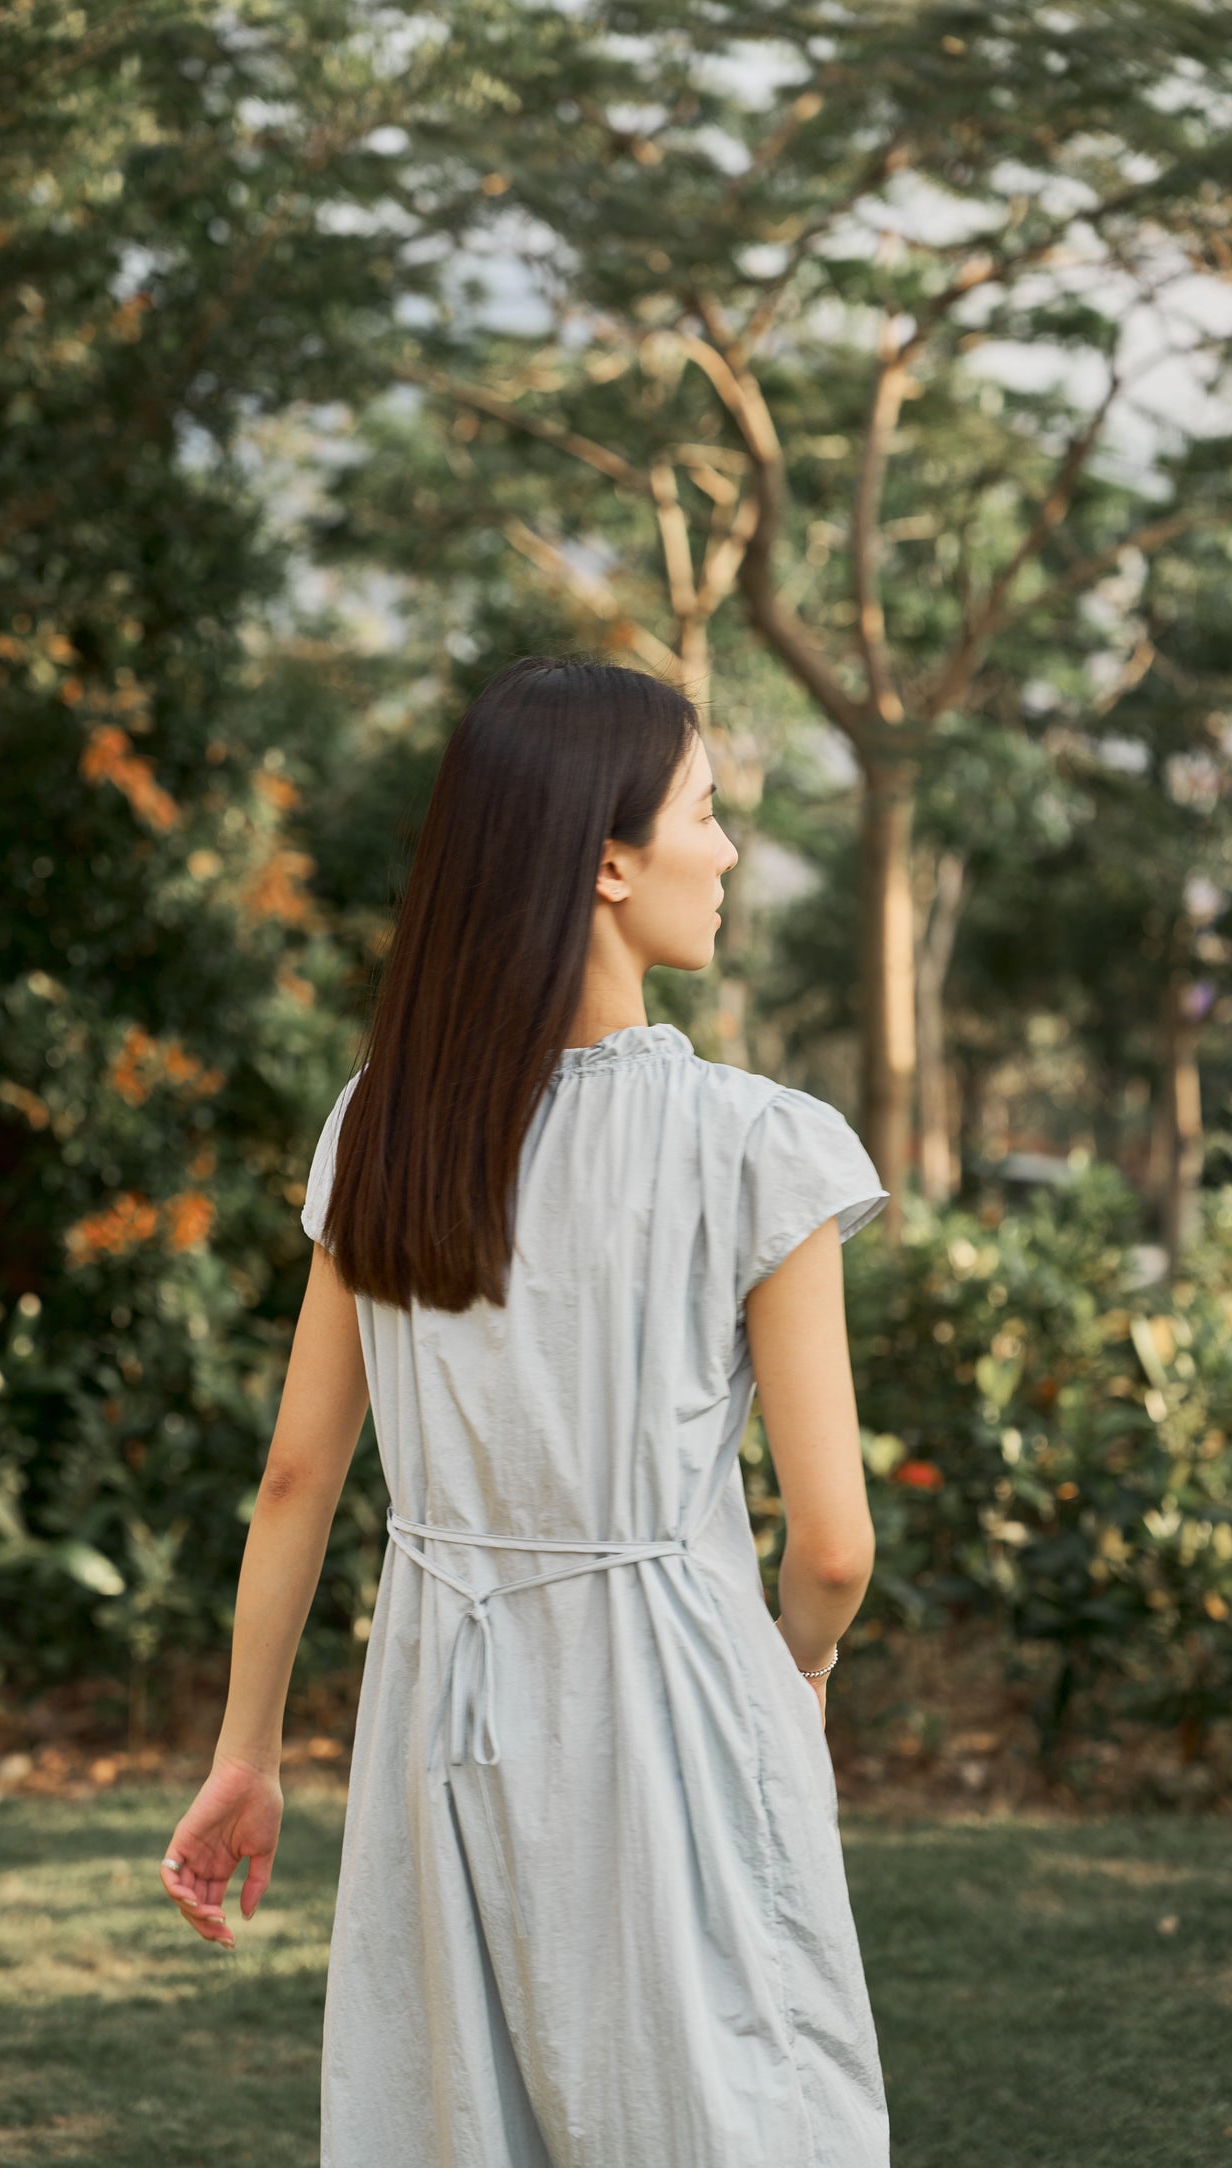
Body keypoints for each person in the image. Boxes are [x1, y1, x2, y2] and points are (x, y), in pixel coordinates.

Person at [159, 656, 892, 2165]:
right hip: (672, 1702)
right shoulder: (753, 1145)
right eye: (707, 811)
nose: (729, 851)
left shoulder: (385, 1127)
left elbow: (300, 1472)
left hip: (438, 1705)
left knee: (458, 2117)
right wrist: (799, 1671)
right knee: (721, 2107)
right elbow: (830, 1545)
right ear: (610, 862)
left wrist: (245, 1751)